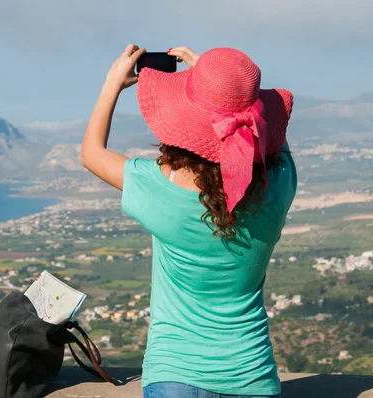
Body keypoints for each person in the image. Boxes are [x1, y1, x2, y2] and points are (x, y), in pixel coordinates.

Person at [80, 45, 296, 398]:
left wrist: (112, 84)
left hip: (174, 377)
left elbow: (91, 154)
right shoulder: (281, 184)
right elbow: (273, 140)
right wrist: (228, 90)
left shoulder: (158, 189)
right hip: (252, 378)